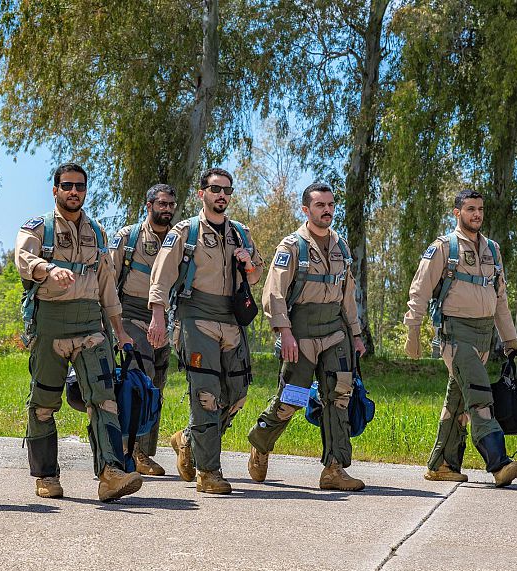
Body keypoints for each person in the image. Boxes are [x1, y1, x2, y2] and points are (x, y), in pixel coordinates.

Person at [15, 162, 142, 502]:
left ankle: (111, 473)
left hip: (90, 326)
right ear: (55, 190)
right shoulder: (38, 227)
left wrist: (120, 331)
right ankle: (46, 475)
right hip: (50, 325)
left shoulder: (97, 232)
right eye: (68, 186)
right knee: (43, 403)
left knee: (104, 399)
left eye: (80, 186)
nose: (74, 192)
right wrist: (47, 269)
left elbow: (107, 285)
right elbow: (22, 258)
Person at [147, 167, 263, 494]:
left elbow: (256, 276)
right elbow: (161, 276)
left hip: (232, 318)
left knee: (237, 393)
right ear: (202, 194)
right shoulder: (186, 232)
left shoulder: (241, 233)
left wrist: (248, 262)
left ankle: (188, 439)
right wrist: (157, 317)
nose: (221, 195)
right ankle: (208, 472)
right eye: (215, 189)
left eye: (227, 190)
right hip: (196, 317)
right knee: (206, 394)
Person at [247, 182, 367, 491]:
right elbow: (273, 293)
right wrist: (284, 332)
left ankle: (334, 469)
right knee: (293, 398)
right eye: (320, 205)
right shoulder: (291, 247)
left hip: (335, 331)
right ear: (306, 209)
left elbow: (347, 295)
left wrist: (355, 335)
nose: (327, 210)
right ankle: (260, 443)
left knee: (339, 397)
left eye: (330, 205)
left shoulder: (341, 246)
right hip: (300, 332)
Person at [404, 189, 517, 487]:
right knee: (480, 397)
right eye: (470, 209)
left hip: (484, 335)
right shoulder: (444, 248)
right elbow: (419, 290)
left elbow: (500, 298)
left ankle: (442, 465)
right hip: (455, 334)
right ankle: (499, 463)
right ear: (457, 213)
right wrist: (413, 330)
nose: (477, 214)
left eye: (480, 209)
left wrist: (510, 339)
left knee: (458, 401)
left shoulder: (492, 249)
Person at [108, 183, 176, 476]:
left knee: (156, 387)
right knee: (137, 382)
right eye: (162, 204)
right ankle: (128, 451)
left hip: (166, 318)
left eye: (171, 205)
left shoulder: (179, 239)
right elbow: (108, 279)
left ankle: (144, 452)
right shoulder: (129, 237)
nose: (167, 210)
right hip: (131, 316)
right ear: (149, 206)